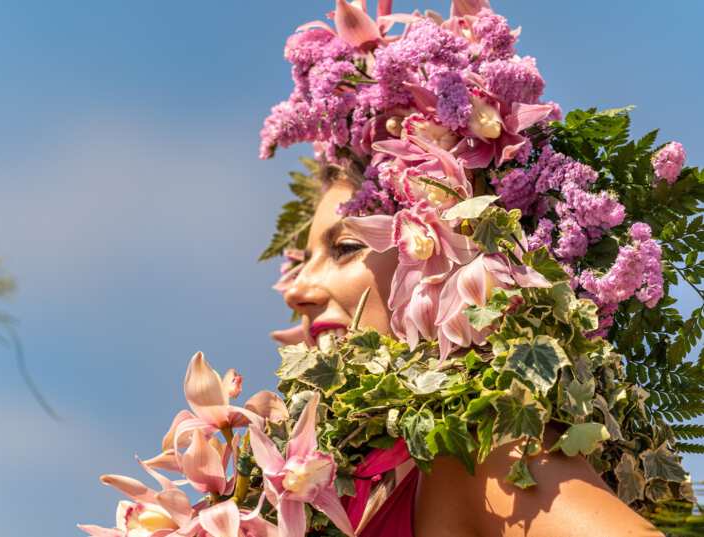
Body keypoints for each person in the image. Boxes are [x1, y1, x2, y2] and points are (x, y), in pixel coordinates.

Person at [278, 172, 663, 536]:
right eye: (302, 260)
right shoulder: (358, 479)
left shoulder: (484, 455)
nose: (296, 290)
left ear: (456, 246)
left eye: (345, 248)